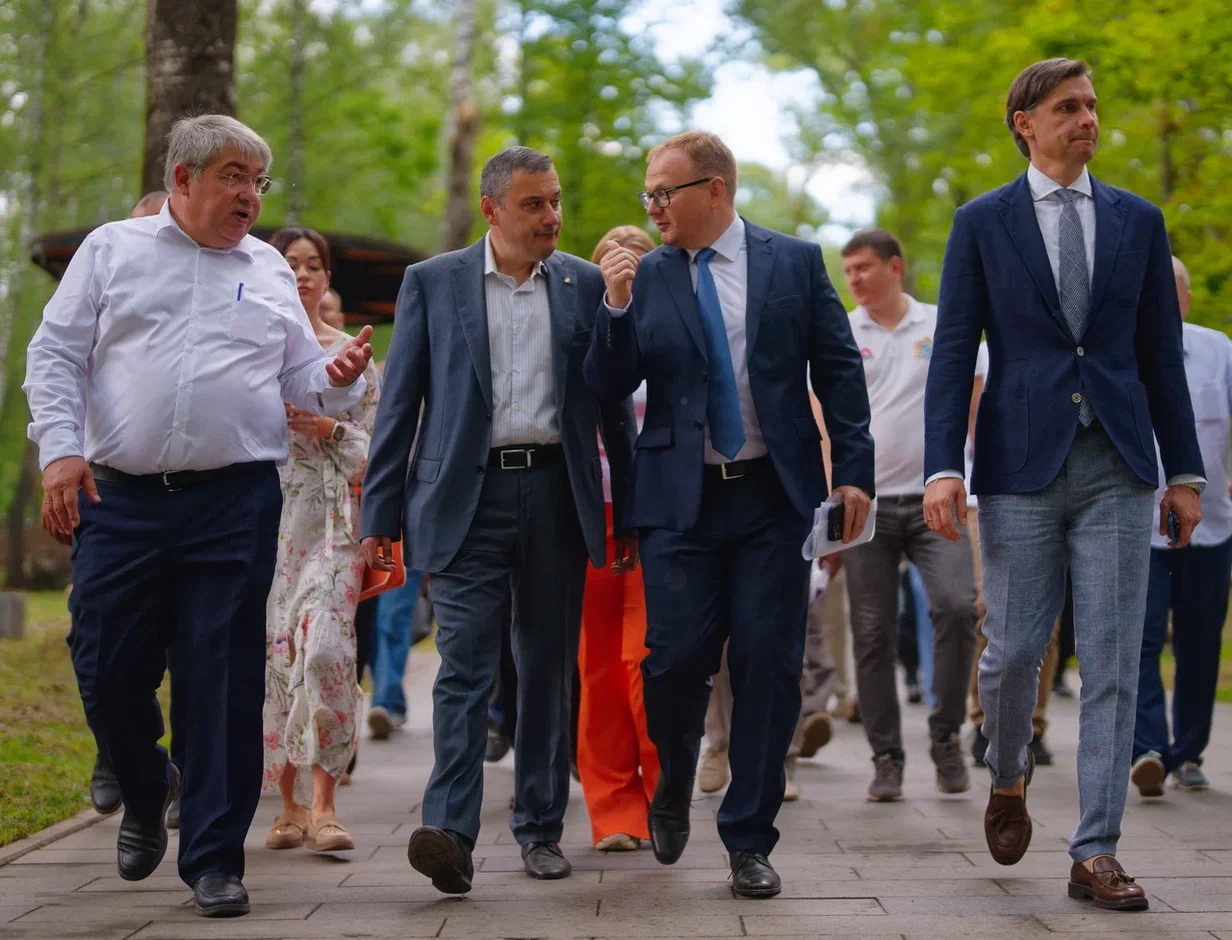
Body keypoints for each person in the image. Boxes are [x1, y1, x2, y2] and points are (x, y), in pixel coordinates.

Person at [24, 114, 372, 918]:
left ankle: (214, 860)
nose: (251, 196)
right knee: (106, 665)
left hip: (234, 499)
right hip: (120, 495)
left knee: (221, 680)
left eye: (259, 181)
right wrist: (61, 452)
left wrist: (338, 376)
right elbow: (56, 353)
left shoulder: (267, 269)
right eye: (234, 176)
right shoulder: (112, 251)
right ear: (182, 179)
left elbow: (302, 380)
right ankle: (147, 788)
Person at [923, 59, 1203, 911]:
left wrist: (1184, 471)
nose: (1087, 120)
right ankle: (1007, 770)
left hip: (1119, 463)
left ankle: (1096, 851)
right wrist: (943, 465)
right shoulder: (982, 222)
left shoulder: (1137, 220)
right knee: (1013, 650)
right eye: (1068, 107)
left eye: (1092, 107)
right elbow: (952, 350)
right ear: (1026, 122)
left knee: (1115, 656)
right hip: (1019, 466)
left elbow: (1161, 356)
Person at [585, 130, 875, 899]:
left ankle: (749, 838)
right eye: (648, 194)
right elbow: (606, 384)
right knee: (673, 661)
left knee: (767, 667)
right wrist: (615, 308)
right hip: (678, 502)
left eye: (664, 193)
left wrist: (854, 475)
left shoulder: (795, 263)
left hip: (773, 496)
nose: (652, 207)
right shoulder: (646, 275)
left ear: (715, 190)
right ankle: (674, 778)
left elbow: (838, 372)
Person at [360, 146, 636, 893]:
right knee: (465, 668)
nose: (551, 216)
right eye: (533, 204)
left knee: (546, 670)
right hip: (463, 499)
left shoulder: (583, 284)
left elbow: (612, 404)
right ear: (491, 209)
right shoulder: (433, 281)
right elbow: (399, 404)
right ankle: (449, 833)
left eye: (555, 201)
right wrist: (379, 513)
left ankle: (540, 829)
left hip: (557, 495)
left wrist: (632, 514)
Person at [835, 228, 980, 802]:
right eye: (848, 270)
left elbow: (974, 402)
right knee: (872, 631)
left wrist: (975, 479)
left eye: (864, 267)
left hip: (935, 500)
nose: (854, 278)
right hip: (865, 505)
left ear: (895, 267)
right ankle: (886, 757)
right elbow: (823, 412)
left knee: (958, 607)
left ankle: (946, 736)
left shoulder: (940, 325)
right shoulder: (843, 332)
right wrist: (831, 490)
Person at [261, 227, 380, 854]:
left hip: (334, 526)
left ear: (327, 278)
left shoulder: (354, 358)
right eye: (290, 264)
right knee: (276, 657)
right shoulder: (249, 350)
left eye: (313, 266)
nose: (303, 275)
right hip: (260, 521)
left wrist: (331, 428)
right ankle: (287, 806)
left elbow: (378, 454)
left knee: (328, 652)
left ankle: (326, 804)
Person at [84, 188, 174, 821]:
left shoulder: (233, 279)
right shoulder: (102, 276)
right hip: (108, 493)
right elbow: (57, 366)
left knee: (199, 656)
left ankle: (191, 797)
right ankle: (127, 758)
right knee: (97, 649)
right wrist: (59, 458)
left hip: (215, 504)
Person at [1131, 256, 1232, 796]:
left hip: (1211, 526)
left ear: (1186, 300)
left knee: (1199, 642)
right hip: (1138, 527)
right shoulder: (1119, 353)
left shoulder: (1219, 350)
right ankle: (1148, 749)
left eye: (1170, 294)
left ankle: (1189, 752)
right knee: (1140, 640)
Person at [575, 225, 659, 852]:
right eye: (612, 256)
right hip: (592, 514)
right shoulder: (584, 330)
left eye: (638, 256)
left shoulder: (677, 330)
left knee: (649, 660)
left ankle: (664, 797)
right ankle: (614, 811)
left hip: (661, 516)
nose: (626, 260)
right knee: (600, 667)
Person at [367, 568, 428, 740]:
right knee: (370, 630)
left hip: (403, 557)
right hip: (363, 556)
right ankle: (393, 701)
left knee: (392, 622)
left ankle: (386, 703)